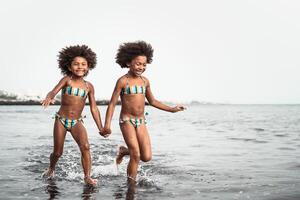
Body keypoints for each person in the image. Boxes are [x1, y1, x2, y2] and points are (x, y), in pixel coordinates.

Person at [102, 41, 185, 184]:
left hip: (141, 121)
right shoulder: (123, 81)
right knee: (136, 154)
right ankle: (131, 187)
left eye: (144, 64)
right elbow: (112, 104)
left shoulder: (145, 81)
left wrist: (172, 110)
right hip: (126, 121)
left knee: (146, 157)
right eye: (138, 63)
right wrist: (107, 125)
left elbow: (152, 101)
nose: (141, 67)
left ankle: (123, 151)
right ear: (128, 62)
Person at [41, 45, 106, 186]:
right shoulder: (67, 80)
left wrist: (101, 127)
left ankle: (87, 176)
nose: (80, 67)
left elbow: (94, 108)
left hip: (77, 121)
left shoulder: (89, 87)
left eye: (83, 64)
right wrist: (49, 97)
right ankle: (51, 168)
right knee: (58, 153)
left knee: (86, 147)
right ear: (69, 67)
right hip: (61, 120)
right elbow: (53, 92)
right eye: (76, 64)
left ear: (89, 66)